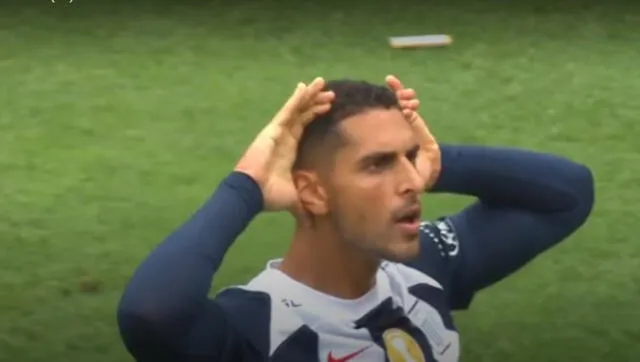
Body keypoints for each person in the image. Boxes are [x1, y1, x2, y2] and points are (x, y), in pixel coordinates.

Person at [116, 76, 594, 362]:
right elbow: (151, 313)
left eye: (410, 158)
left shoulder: (421, 272)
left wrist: (440, 163)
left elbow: (568, 193)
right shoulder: (255, 327)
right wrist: (247, 186)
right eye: (378, 164)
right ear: (312, 191)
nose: (410, 182)